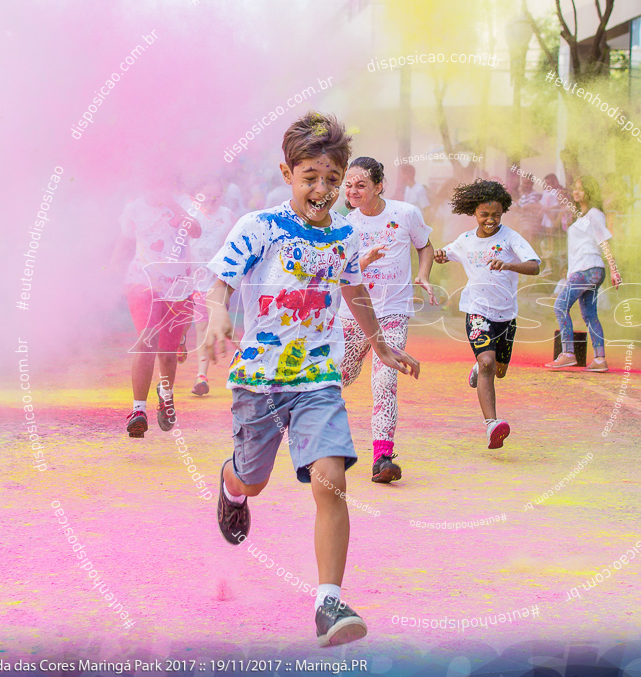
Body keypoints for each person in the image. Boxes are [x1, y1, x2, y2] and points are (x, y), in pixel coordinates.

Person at [204, 112, 419, 644]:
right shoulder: (261, 226)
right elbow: (220, 281)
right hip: (260, 380)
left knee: (332, 480)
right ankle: (232, 487)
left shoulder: (345, 235)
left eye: (332, 179)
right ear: (288, 174)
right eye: (311, 178)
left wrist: (379, 342)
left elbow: (353, 290)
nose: (322, 190)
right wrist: (216, 314)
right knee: (253, 478)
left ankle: (328, 604)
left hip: (317, 379)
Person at [339, 156, 436, 483]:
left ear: (379, 186)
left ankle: (382, 458)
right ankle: (321, 442)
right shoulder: (344, 224)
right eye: (348, 185)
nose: (352, 191)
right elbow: (340, 274)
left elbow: (425, 246)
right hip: (352, 314)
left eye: (360, 185)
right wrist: (362, 261)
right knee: (339, 379)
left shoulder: (406, 214)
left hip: (392, 312)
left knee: (384, 383)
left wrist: (423, 274)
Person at [433, 180, 540, 449]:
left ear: (502, 212)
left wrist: (509, 264)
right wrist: (440, 255)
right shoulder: (466, 240)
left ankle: (478, 367)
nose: (490, 220)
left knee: (499, 371)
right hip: (477, 311)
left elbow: (534, 266)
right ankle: (492, 424)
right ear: (474, 213)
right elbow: (446, 253)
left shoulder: (511, 238)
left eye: (496, 215)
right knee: (488, 364)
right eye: (484, 215)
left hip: (506, 315)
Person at [109, 189, 201, 437]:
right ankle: (138, 410)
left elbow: (196, 231)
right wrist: (110, 272)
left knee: (168, 355)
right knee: (147, 339)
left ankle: (166, 396)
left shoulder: (183, 202)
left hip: (177, 287)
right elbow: (124, 242)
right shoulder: (134, 208)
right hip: (142, 282)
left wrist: (172, 203)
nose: (155, 182)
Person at [545, 175, 619, 372]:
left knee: (560, 305)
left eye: (580, 188)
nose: (576, 192)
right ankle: (600, 358)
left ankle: (568, 353)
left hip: (587, 268)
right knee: (590, 315)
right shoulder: (584, 216)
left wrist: (614, 269)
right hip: (587, 270)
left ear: (589, 192)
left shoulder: (595, 214)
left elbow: (604, 240)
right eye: (575, 188)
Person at [181, 180, 236, 396]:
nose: (213, 202)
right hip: (194, 280)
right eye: (207, 197)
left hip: (218, 282)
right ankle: (198, 370)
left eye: (217, 197)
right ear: (197, 196)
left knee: (213, 325)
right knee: (198, 326)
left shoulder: (228, 216)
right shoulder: (190, 214)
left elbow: (234, 246)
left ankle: (202, 375)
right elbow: (180, 245)